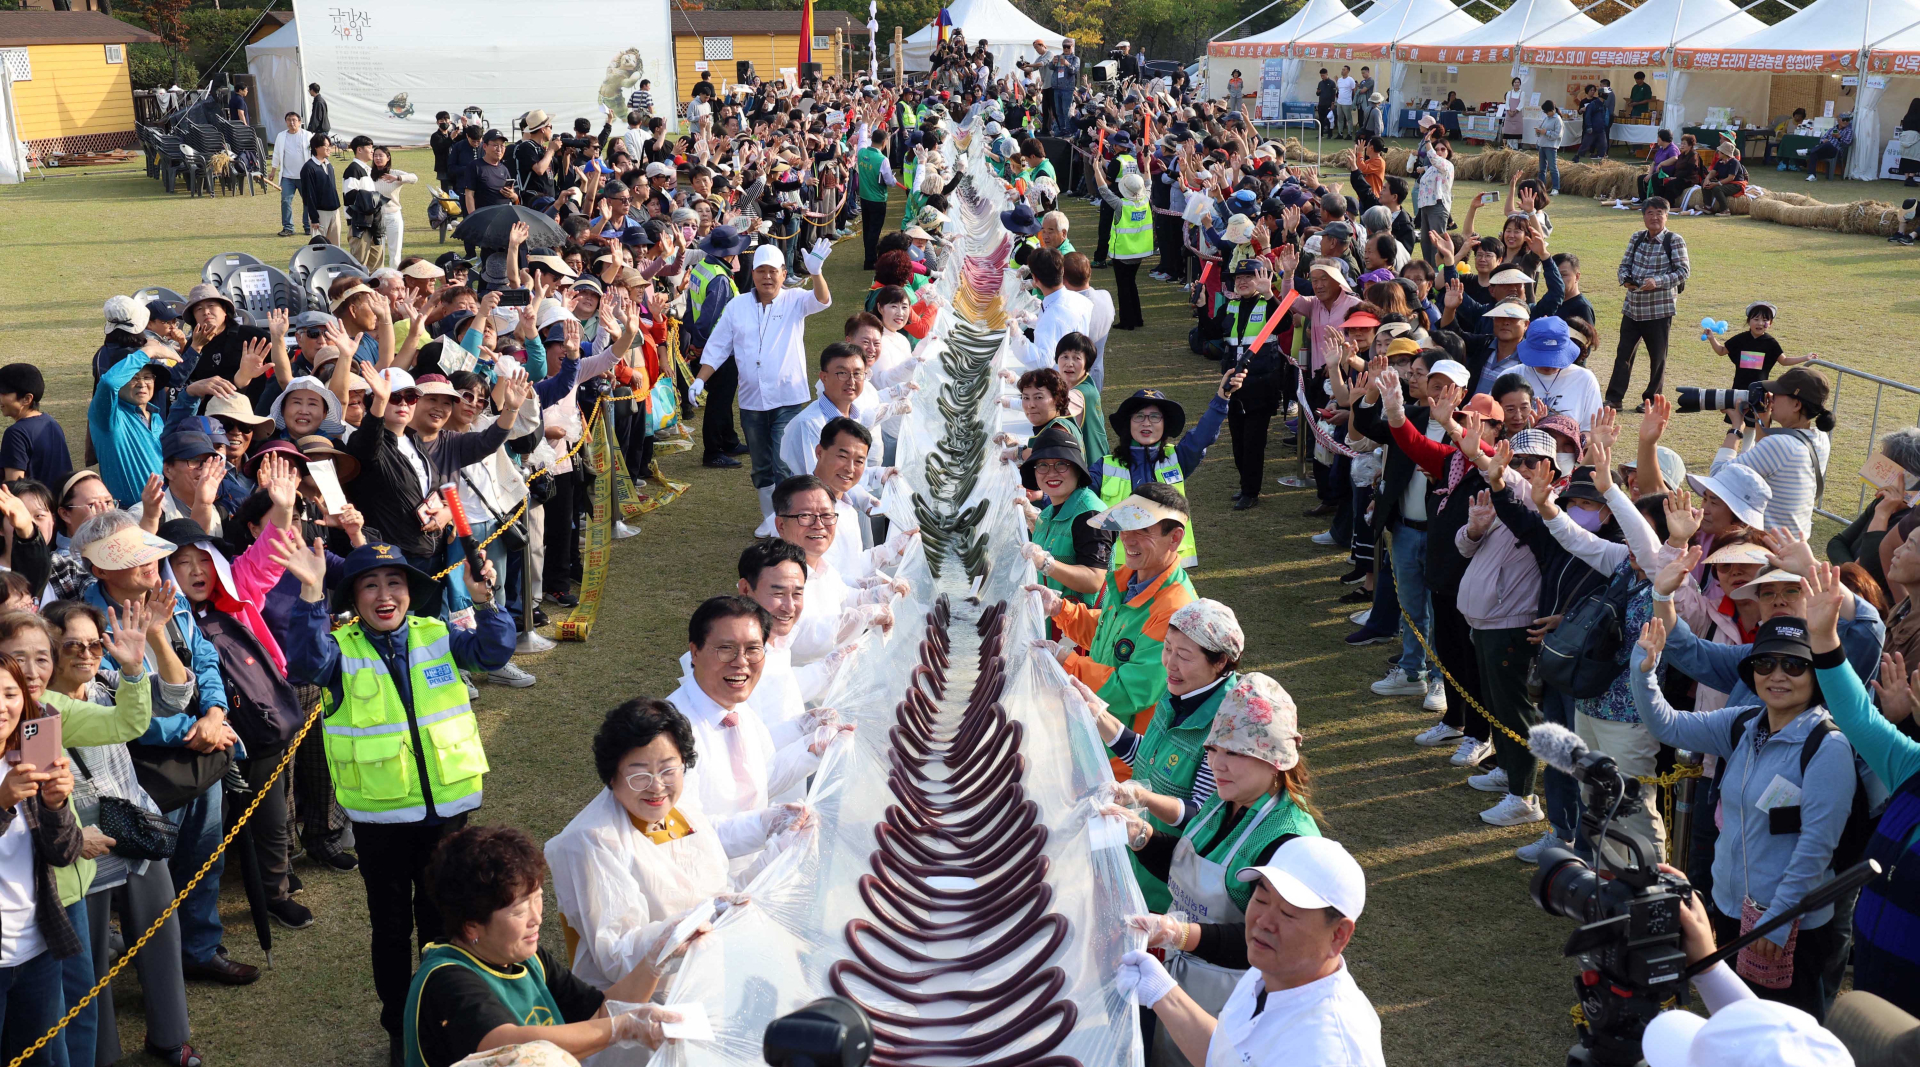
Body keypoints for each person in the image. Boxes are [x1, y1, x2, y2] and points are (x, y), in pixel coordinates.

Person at [280, 538, 515, 1064]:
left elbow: (495, 651)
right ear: (354, 598)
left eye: (395, 583)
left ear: (410, 591)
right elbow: (303, 660)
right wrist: (311, 595)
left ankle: (447, 1018)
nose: (385, 595)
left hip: (450, 816)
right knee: (391, 926)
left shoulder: (440, 636)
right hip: (383, 822)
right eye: (370, 585)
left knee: (445, 924)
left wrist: (484, 603)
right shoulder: (340, 649)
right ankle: (398, 1023)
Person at [1633, 602, 1856, 1019]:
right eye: (1765, 662)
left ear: (1816, 675)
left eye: (1794, 665)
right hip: (1733, 910)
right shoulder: (1744, 723)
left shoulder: (1828, 748)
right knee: (1740, 1024)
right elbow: (1669, 726)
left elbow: (1815, 848)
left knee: (1783, 1033)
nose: (1777, 674)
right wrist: (1644, 669)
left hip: (1790, 926)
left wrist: (1779, 919)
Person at [544, 699, 802, 992]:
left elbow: (722, 894)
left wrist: (781, 849)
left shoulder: (680, 810)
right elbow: (617, 957)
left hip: (709, 974)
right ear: (612, 776)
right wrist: (696, 921)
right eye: (639, 775)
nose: (656, 787)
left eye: (668, 770)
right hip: (643, 1010)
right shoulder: (591, 841)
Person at [402, 824, 685, 1067]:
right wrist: (622, 1028)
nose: (536, 917)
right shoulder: (446, 979)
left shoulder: (528, 958)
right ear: (471, 924)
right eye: (518, 910)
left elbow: (601, 1012)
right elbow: (508, 1048)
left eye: (537, 897)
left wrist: (655, 960)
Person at [1115, 837, 1384, 1067]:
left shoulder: (1329, 1051)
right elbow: (1225, 1054)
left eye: (1288, 914)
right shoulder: (1270, 972)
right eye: (1262, 898)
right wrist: (1162, 993)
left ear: (1339, 935)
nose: (1263, 921)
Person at [1029, 482, 1198, 754]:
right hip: (1095, 732)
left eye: (1143, 530)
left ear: (1175, 538)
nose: (1128, 539)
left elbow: (1131, 691)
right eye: (1126, 527)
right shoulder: (1129, 580)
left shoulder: (1175, 610)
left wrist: (1066, 661)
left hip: (1123, 756)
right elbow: (1107, 633)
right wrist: (1061, 609)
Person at [691, 243, 836, 519]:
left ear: (784, 273)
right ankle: (771, 519)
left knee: (784, 462)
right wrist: (700, 379)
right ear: (752, 273)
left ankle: (790, 518)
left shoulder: (794, 299)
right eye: (760, 271)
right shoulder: (737, 306)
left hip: (788, 398)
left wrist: (816, 274)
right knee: (760, 464)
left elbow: (821, 300)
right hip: (751, 400)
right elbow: (719, 345)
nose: (766, 277)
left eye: (773, 271)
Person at [664, 597, 830, 833]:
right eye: (726, 649)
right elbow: (681, 832)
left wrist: (812, 748)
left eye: (753, 649)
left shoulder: (737, 708)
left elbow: (764, 778)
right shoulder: (666, 734)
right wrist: (763, 827)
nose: (741, 662)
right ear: (695, 652)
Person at [0, 653, 81, 1067]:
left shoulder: (29, 757)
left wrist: (56, 805)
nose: (2, 706)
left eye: (10, 694)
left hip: (36, 947)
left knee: (42, 1059)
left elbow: (64, 854)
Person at [1094, 387, 1232, 570]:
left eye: (1154, 417)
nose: (1147, 423)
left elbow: (1203, 434)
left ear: (1164, 424)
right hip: (1121, 568)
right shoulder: (1104, 466)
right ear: (1129, 423)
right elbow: (1074, 494)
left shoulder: (1178, 457)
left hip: (1168, 566)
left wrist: (1222, 397)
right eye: (1139, 416)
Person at [1710, 367, 1833, 539]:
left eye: (1777, 394)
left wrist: (1736, 427)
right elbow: (1770, 466)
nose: (1771, 398)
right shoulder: (1820, 439)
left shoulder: (1781, 445)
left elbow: (1717, 477)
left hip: (1768, 548)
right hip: (1793, 546)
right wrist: (1763, 422)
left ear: (1797, 404)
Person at [1605, 198, 1688, 412]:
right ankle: (1614, 399)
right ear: (1643, 216)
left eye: (1660, 213)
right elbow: (1624, 265)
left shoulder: (1674, 240)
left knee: (1657, 357)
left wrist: (1657, 282)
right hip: (1633, 307)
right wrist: (1625, 279)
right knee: (1623, 354)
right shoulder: (1636, 238)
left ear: (1667, 216)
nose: (1655, 217)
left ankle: (1651, 400)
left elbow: (1683, 272)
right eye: (1650, 212)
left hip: (1659, 309)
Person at [1018, 426, 1112, 606]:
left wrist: (1047, 564)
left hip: (1081, 628)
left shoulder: (1091, 515)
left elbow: (1094, 580)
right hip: (1053, 621)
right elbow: (1060, 542)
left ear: (1077, 468)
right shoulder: (1048, 512)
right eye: (1043, 465)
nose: (1051, 473)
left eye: (1061, 464)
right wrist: (1032, 519)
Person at [1090, 168, 1153, 330]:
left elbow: (1103, 190)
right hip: (1140, 253)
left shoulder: (1121, 205)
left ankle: (1127, 321)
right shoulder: (1145, 199)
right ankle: (1137, 318)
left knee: (1123, 287)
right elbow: (1148, 183)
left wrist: (1096, 168)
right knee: (1131, 283)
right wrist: (1146, 165)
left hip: (1123, 254)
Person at [0, 365, 71, 491]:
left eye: (3, 393)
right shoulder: (51, 423)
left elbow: (14, 490)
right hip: (55, 505)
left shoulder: (16, 434)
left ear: (27, 399)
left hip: (32, 509)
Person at [271, 111, 311, 237]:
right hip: (287, 176)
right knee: (285, 200)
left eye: (294, 120)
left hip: (305, 176)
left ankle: (308, 226)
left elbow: (314, 153)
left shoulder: (308, 135)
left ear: (300, 122)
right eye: (289, 120)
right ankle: (288, 227)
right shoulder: (281, 136)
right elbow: (276, 154)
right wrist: (273, 170)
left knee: (308, 202)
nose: (291, 122)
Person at [300, 133, 343, 245]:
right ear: (316, 147)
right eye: (326, 146)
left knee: (335, 247)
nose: (329, 149)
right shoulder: (308, 168)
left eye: (330, 145)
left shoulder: (329, 165)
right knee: (320, 248)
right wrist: (314, 218)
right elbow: (309, 194)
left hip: (334, 211)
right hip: (320, 213)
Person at [1804, 113, 1853, 181]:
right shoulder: (1832, 129)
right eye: (1844, 120)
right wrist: (1823, 141)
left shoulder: (1848, 131)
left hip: (1836, 152)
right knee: (1814, 153)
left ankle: (1809, 151)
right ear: (1838, 120)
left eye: (1847, 120)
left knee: (1828, 144)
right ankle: (1812, 175)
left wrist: (1839, 137)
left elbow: (1847, 143)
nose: (1845, 122)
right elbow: (1822, 139)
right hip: (1826, 150)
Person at [1535, 101, 1564, 194]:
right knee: (1542, 169)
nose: (1546, 114)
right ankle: (1541, 187)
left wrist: (1546, 132)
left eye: (1547, 112)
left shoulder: (1557, 119)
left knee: (1552, 168)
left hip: (1551, 147)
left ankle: (1556, 188)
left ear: (1552, 110)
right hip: (1542, 145)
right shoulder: (1547, 118)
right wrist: (1538, 131)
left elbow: (1557, 135)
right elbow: (1542, 128)